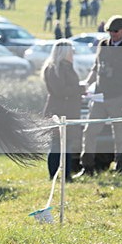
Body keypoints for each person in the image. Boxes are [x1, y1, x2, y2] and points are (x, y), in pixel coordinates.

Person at [75, 15, 122, 177]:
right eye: (110, 31)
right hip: (99, 97)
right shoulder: (103, 44)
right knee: (90, 131)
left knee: (121, 135)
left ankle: (121, 168)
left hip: (119, 98)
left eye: (116, 31)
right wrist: (86, 83)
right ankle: (87, 167)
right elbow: (96, 68)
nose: (112, 34)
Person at [41, 39, 84, 180]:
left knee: (67, 144)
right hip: (57, 111)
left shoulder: (67, 67)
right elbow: (60, 91)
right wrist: (80, 89)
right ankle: (53, 175)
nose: (73, 54)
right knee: (56, 145)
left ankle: (66, 175)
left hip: (70, 110)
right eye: (71, 51)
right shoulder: (53, 69)